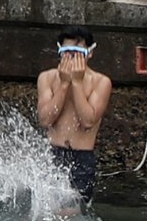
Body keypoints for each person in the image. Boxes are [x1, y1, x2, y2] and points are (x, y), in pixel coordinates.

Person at [36, 25, 113, 203]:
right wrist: (63, 85)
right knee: (45, 210)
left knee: (72, 213)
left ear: (89, 53)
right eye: (67, 52)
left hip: (81, 158)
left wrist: (76, 83)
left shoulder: (101, 82)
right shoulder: (47, 78)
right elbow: (46, 119)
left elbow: (87, 121)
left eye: (77, 53)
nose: (71, 58)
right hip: (53, 154)